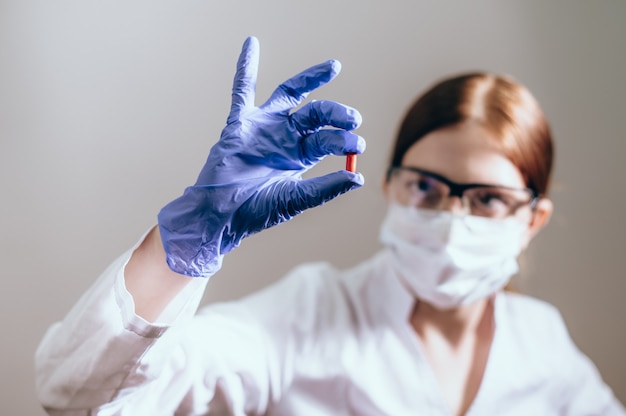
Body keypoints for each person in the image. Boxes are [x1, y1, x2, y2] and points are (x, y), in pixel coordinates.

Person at [35, 36, 624, 415]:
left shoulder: (542, 342)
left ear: (533, 219)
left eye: (487, 200)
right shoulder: (309, 314)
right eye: (426, 187)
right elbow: (78, 396)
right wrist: (183, 243)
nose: (451, 218)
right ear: (390, 184)